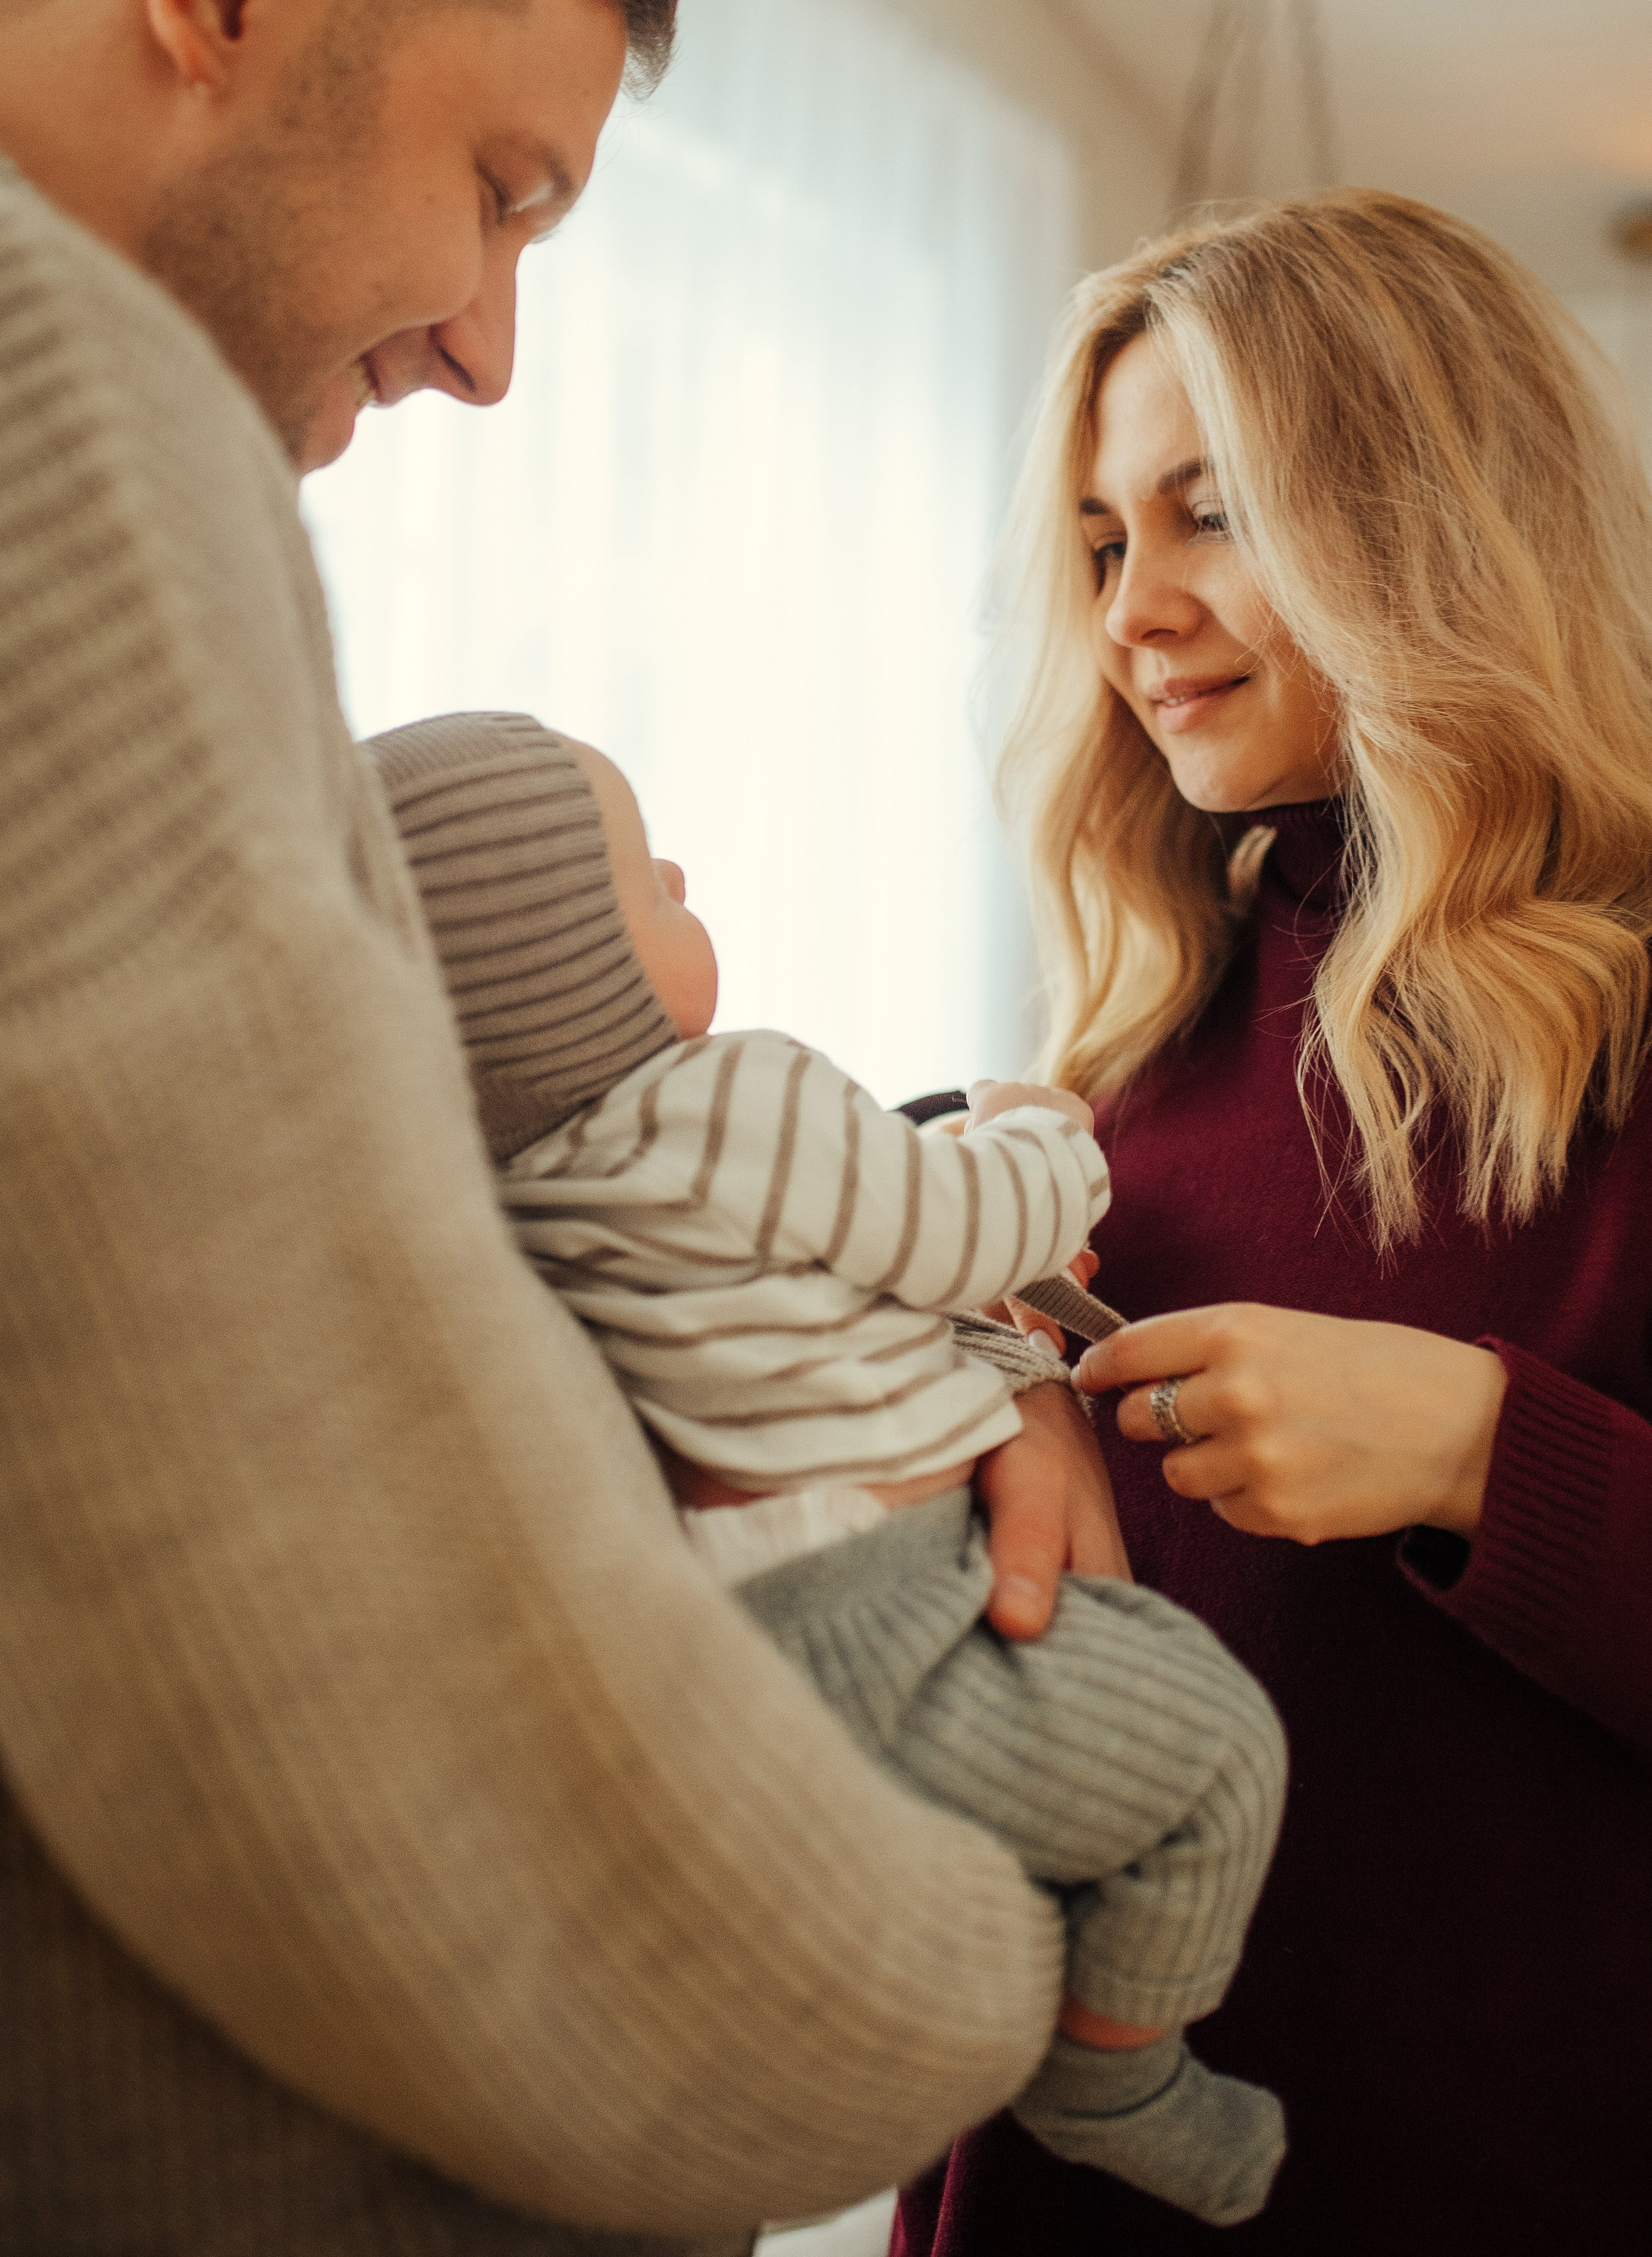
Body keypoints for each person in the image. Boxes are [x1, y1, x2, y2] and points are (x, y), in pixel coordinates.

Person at [0, 0, 1124, 2256]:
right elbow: (330, 1632)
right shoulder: (69, 412)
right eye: (501, 190)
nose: (492, 349)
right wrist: (965, 1961)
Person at [898, 189, 1652, 2257]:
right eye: (1104, 540)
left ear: (1434, 512)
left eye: (1210, 510)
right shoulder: (1149, 1013)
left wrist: (1493, 1457)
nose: (1131, 610)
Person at [362, 706, 1292, 2231]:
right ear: (569, 972)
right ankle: (1111, 2070)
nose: (674, 870)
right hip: (882, 1614)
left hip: (699, 1678)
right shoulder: (737, 1100)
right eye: (638, 879)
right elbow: (953, 1235)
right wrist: (1041, 1134)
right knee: (1211, 1753)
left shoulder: (495, 1210)